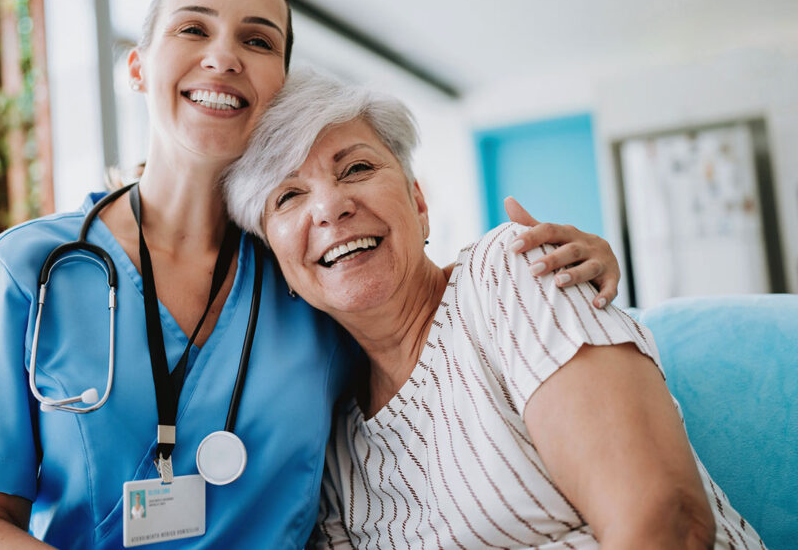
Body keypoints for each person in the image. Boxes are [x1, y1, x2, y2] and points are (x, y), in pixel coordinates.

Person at [0, 0, 623, 549]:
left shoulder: (307, 272)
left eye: (257, 39)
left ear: (278, 87)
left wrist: (545, 268)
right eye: (192, 30)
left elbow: (429, 317)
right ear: (140, 67)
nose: (223, 57)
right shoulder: (26, 272)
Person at [223, 69, 765, 550]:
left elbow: (668, 523)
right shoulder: (332, 444)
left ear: (418, 204)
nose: (330, 206)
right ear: (276, 259)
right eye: (288, 196)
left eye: (357, 168)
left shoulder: (508, 273)